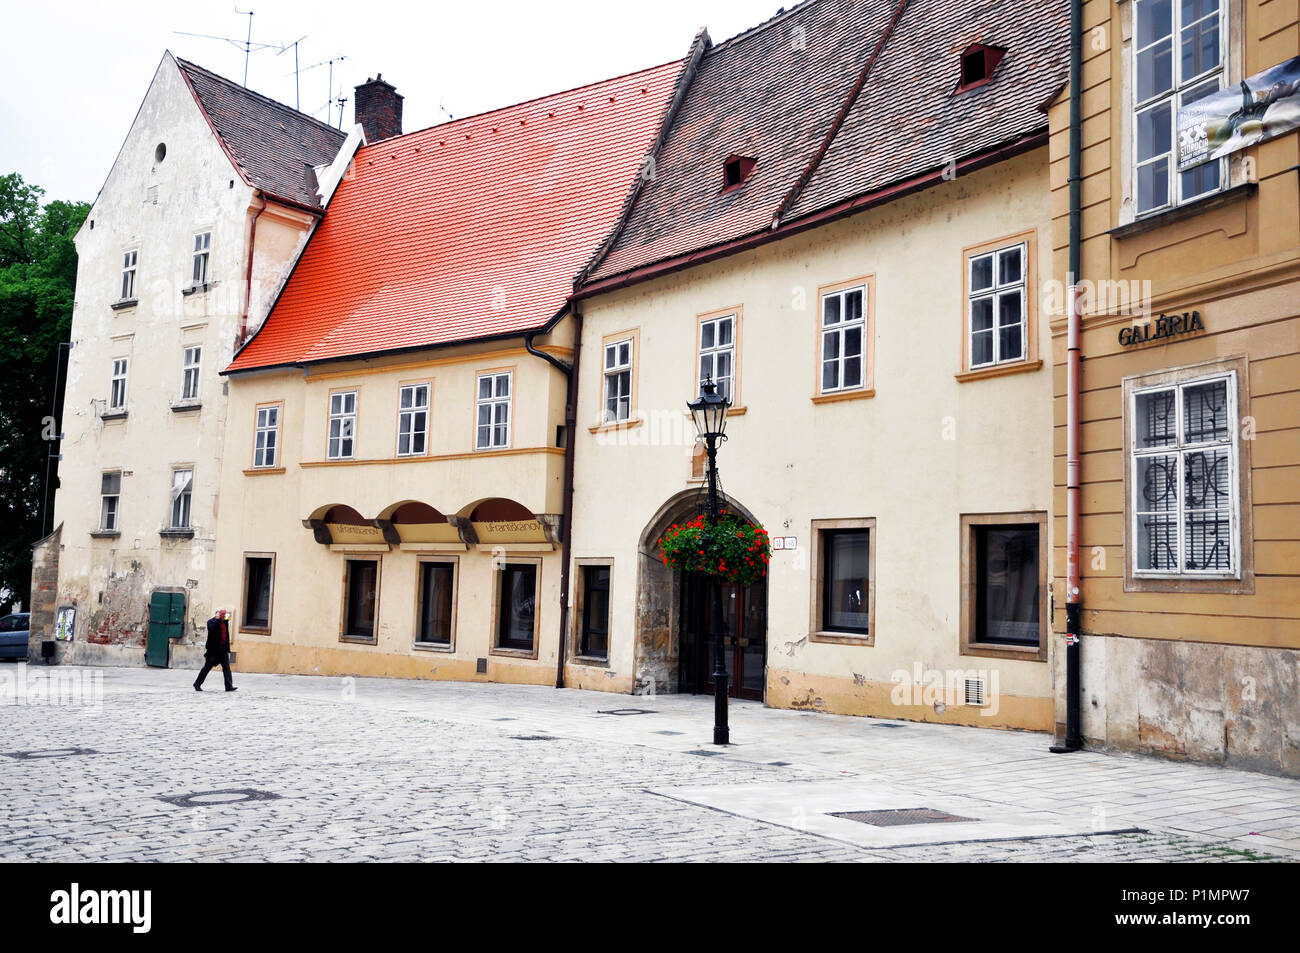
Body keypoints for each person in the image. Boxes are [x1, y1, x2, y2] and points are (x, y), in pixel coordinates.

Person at [194, 608, 237, 692]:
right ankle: (197, 684)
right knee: (207, 668)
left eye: (224, 615)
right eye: (221, 615)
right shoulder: (211, 622)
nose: (223, 616)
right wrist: (217, 619)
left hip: (223, 650)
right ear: (216, 614)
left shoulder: (224, 622)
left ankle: (229, 686)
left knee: (227, 668)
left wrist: (225, 618)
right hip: (213, 651)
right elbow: (212, 629)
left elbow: (225, 633)